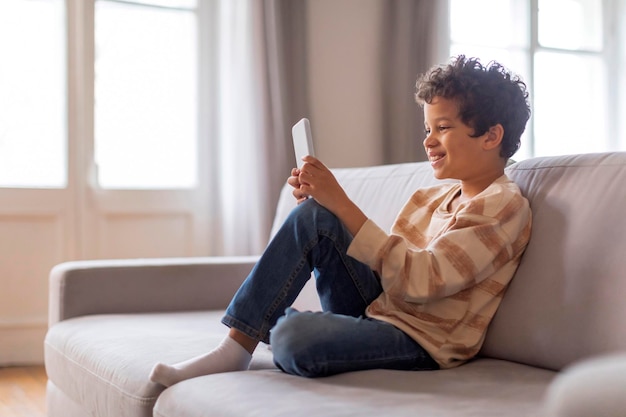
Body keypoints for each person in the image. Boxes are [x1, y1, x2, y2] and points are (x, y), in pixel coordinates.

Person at [149, 55, 532, 386]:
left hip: (424, 341)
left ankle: (305, 331)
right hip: (383, 311)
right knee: (313, 217)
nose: (429, 141)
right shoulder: (429, 198)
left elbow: (424, 280)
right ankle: (234, 348)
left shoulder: (502, 204)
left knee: (292, 336)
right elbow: (387, 278)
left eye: (443, 128)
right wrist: (327, 207)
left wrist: (343, 203)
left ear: (491, 136)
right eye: (428, 129)